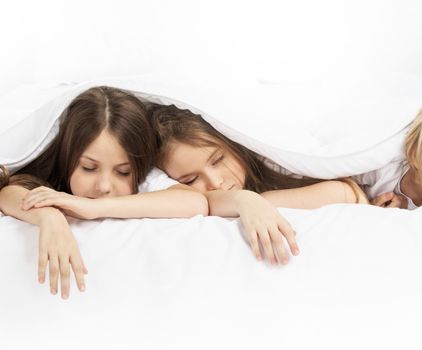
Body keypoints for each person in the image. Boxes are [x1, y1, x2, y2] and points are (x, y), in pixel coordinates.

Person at [0, 86, 208, 300]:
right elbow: (8, 192)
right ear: (67, 157)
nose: (104, 186)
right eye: (89, 168)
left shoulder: (143, 179)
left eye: (123, 172)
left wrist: (92, 208)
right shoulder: (52, 173)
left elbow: (195, 202)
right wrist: (49, 217)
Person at [149, 104, 368, 266]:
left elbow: (345, 192)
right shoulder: (188, 200)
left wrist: (260, 202)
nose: (215, 182)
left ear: (234, 145)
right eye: (191, 180)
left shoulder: (275, 165)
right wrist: (244, 201)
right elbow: (204, 203)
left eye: (218, 160)